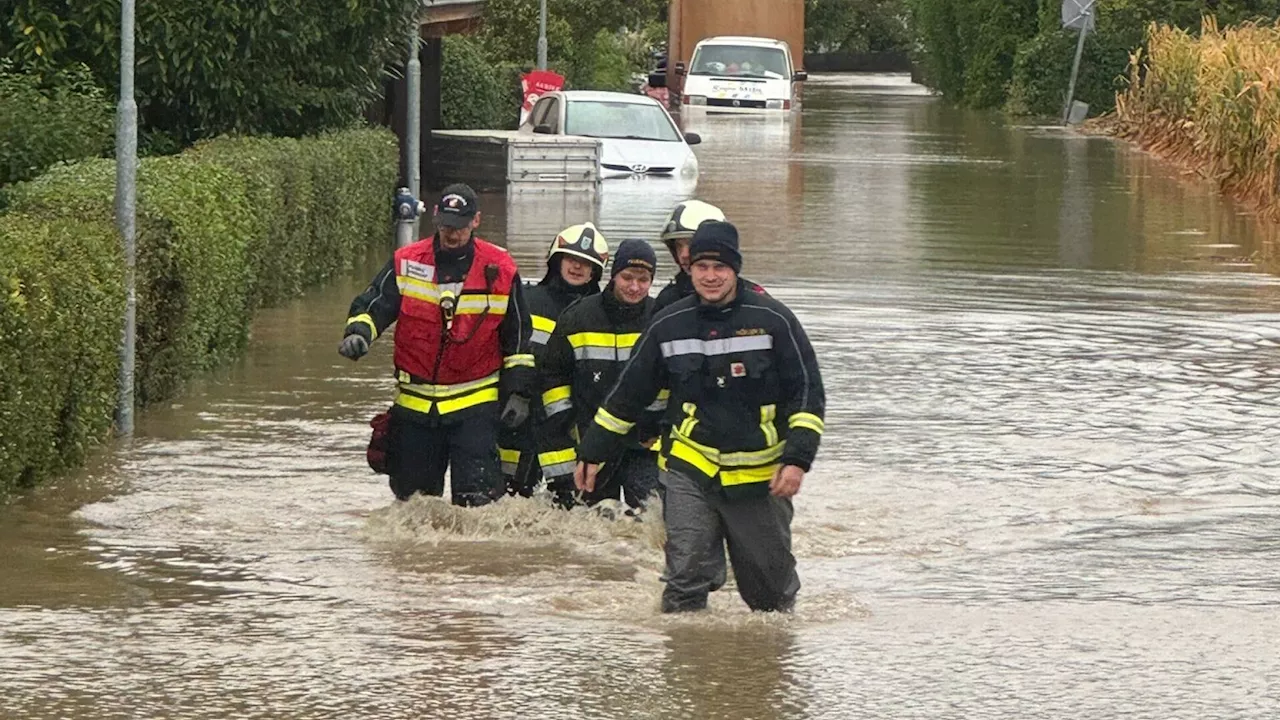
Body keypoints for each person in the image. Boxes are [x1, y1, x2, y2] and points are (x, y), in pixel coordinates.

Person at [574, 220, 825, 613]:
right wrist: (592, 450)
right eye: (702, 267)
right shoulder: (668, 324)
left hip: (760, 475)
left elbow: (807, 393)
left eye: (720, 268)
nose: (710, 277)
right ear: (688, 269)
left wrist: (797, 459)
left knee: (770, 597)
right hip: (690, 466)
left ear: (735, 269)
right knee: (684, 578)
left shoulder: (773, 319)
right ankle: (685, 662)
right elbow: (628, 395)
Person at [339, 183, 535, 507]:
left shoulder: (500, 268)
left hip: (475, 408)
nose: (451, 233)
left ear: (476, 221)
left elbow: (517, 337)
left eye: (458, 226)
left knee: (478, 509)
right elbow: (375, 304)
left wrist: (519, 394)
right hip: (415, 409)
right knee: (413, 509)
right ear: (434, 218)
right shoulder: (406, 262)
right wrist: (359, 333)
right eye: (445, 225)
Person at [537, 239, 663, 510]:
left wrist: (658, 424)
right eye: (627, 277)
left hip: (644, 446)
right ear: (613, 275)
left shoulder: (660, 319)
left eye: (643, 279)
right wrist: (567, 420)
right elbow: (552, 375)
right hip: (590, 441)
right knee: (587, 529)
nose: (634, 287)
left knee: (652, 522)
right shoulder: (578, 317)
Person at [500, 222, 609, 497]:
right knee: (506, 501)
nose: (577, 267)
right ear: (556, 260)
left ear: (595, 272)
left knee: (570, 502)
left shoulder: (598, 314)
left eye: (586, 263)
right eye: (572, 259)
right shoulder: (526, 299)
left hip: (565, 424)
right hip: (516, 417)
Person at [654, 200, 767, 312]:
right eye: (678, 246)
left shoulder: (757, 300)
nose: (684, 254)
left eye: (691, 243)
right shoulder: (667, 300)